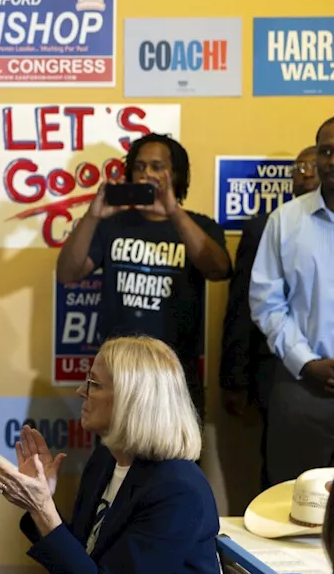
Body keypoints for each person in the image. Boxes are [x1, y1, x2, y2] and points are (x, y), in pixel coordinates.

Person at [0, 336, 219, 574]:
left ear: (133, 400)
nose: (81, 391)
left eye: (94, 384)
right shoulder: (104, 460)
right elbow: (86, 560)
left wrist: (41, 509)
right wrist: (42, 502)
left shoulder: (178, 492)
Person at [56, 133, 231, 421]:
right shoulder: (111, 225)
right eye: (139, 167)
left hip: (175, 373)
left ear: (175, 175)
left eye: (157, 166)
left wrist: (173, 212)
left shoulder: (199, 226)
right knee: (114, 463)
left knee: (176, 462)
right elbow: (67, 273)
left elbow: (219, 270)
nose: (146, 174)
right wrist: (93, 216)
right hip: (117, 373)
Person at [220, 145, 320, 486]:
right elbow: (244, 310)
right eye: (299, 165)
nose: (305, 171)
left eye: (311, 164)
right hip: (281, 375)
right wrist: (234, 380)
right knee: (285, 485)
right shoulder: (271, 226)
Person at [250, 118, 334, 484]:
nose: (331, 160)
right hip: (303, 386)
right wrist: (307, 362)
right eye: (326, 151)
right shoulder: (284, 220)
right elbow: (267, 303)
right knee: (293, 507)